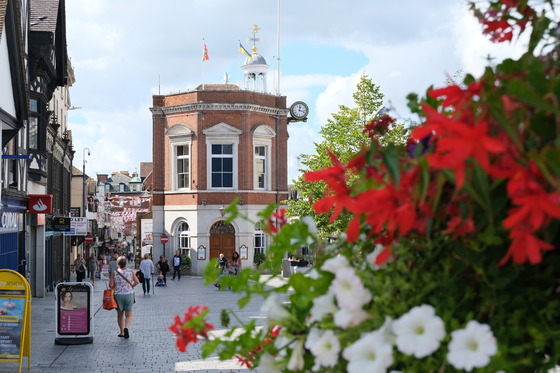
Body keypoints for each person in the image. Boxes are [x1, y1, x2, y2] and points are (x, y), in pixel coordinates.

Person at [109, 256, 139, 339]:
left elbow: (111, 285)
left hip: (118, 295)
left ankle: (121, 332)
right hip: (129, 294)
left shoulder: (114, 273)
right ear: (126, 263)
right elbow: (137, 281)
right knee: (128, 314)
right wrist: (131, 286)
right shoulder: (130, 271)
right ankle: (126, 327)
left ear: (117, 264)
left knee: (120, 314)